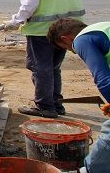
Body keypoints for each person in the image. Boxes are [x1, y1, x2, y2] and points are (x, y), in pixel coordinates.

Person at [5, 0, 106, 118]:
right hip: (69, 30)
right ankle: (56, 104)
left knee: (40, 67)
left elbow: (29, 6)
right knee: (53, 67)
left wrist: (15, 21)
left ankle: (45, 106)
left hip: (41, 30)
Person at [46, 18, 110, 171]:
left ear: (65, 39)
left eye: (67, 47)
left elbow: (103, 80)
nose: (72, 49)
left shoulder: (82, 40)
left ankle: (90, 170)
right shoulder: (102, 27)